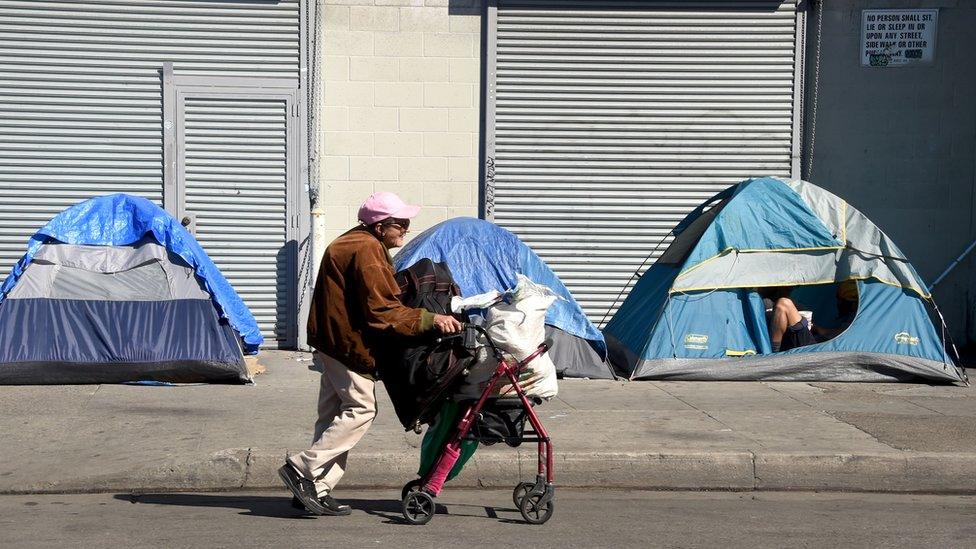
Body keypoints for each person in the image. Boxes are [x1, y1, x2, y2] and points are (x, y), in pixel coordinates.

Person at [278, 191, 463, 516]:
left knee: (332, 414)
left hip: (332, 340)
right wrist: (431, 319)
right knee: (361, 410)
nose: (406, 228)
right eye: (400, 224)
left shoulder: (355, 242)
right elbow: (383, 310)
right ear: (380, 226)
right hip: (347, 344)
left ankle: (315, 489)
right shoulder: (367, 251)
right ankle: (302, 468)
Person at [761, 286, 817, 352]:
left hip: (805, 348)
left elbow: (823, 332)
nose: (790, 288)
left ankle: (772, 353)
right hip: (783, 348)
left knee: (784, 304)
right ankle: (772, 353)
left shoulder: (794, 305)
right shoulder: (757, 303)